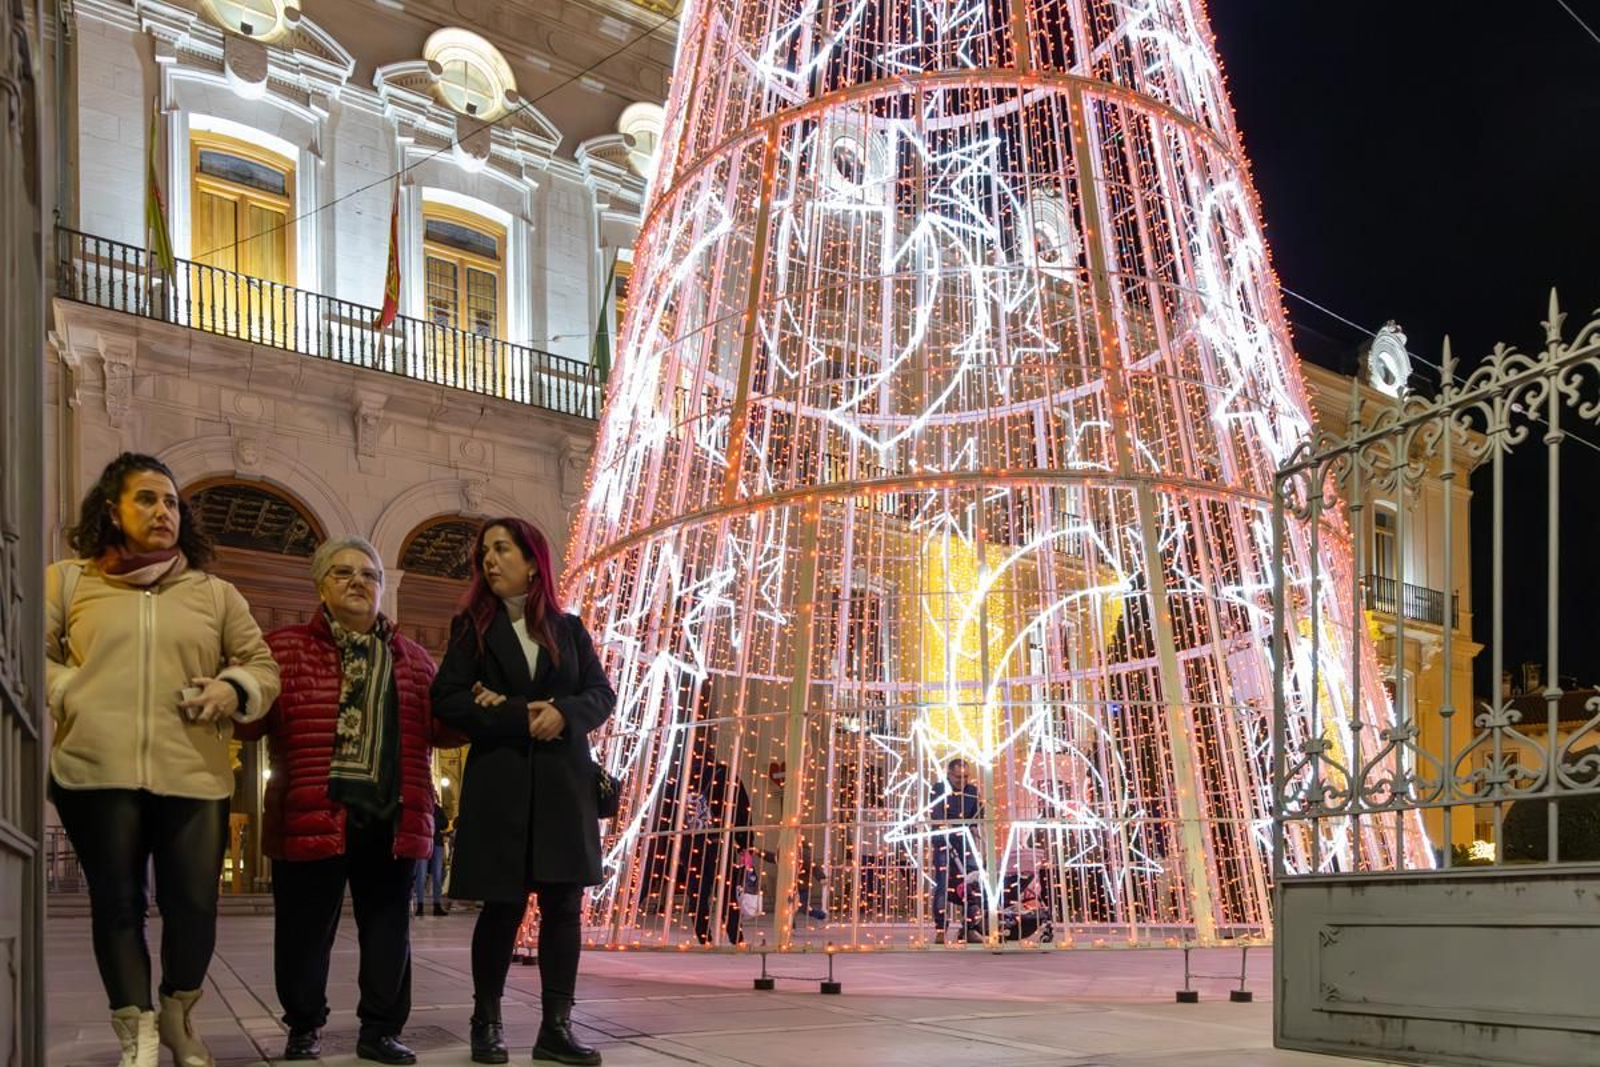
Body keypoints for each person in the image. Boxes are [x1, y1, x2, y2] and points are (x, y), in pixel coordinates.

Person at [44, 452, 281, 1067]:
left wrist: (233, 688)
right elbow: (26, 653)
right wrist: (69, 690)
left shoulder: (215, 593)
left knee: (194, 903)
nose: (162, 511)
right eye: (147, 499)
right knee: (117, 902)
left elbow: (261, 666)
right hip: (95, 770)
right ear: (112, 510)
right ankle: (138, 1033)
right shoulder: (69, 581)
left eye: (172, 501)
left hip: (193, 773)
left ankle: (177, 1012)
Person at [234, 536, 461, 1064]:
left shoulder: (415, 659)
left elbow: (444, 729)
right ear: (320, 585)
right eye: (343, 573)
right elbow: (249, 723)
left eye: (370, 575)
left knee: (388, 932)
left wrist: (479, 699)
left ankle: (380, 1030)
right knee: (303, 932)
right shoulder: (284, 648)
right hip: (313, 811)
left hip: (392, 819)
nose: (359, 582)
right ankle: (304, 1027)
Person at [433, 518, 616, 1066]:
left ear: (533, 561)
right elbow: (447, 698)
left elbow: (601, 695)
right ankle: (485, 1022)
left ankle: (556, 1028)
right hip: (501, 788)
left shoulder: (570, 629)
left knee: (563, 906)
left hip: (564, 788)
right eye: (484, 553)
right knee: (501, 908)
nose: (489, 560)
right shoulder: (472, 628)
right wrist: (521, 716)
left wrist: (561, 713)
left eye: (501, 549)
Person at [929, 757, 983, 944]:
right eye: (958, 777)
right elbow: (937, 814)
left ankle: (969, 927)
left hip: (965, 841)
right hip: (944, 841)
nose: (962, 781)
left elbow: (977, 814)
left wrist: (975, 827)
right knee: (943, 884)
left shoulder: (972, 791)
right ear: (949, 775)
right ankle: (941, 928)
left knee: (972, 882)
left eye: (966, 777)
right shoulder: (939, 789)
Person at [415, 802, 449, 918]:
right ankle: (420, 905)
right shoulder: (420, 807)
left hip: (437, 844)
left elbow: (445, 823)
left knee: (438, 875)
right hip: (423, 842)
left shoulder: (437, 808)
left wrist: (432, 822)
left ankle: (437, 905)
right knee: (421, 874)